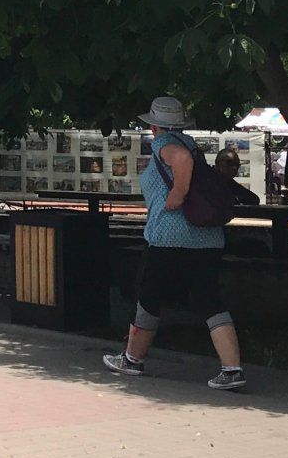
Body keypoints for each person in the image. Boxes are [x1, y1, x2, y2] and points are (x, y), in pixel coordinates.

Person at [104, 96, 246, 390]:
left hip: (169, 238)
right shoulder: (193, 147)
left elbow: (179, 161)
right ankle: (232, 369)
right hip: (206, 238)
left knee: (149, 297)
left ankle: (132, 359)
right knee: (209, 299)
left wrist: (176, 195)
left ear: (155, 125)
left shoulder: (166, 146)